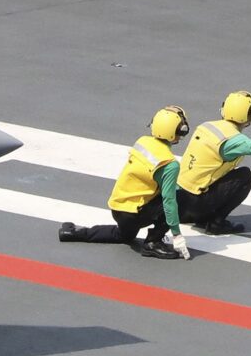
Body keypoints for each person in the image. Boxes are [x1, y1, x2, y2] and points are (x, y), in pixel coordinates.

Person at [59, 107, 191, 259]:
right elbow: (169, 201)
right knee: (181, 198)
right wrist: (176, 235)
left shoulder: (143, 142)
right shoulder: (169, 164)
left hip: (118, 208)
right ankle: (153, 243)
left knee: (123, 236)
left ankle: (73, 232)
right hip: (134, 214)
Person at [175, 90, 251, 235]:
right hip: (196, 205)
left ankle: (203, 215)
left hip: (178, 203)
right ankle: (216, 223)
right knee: (245, 176)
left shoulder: (206, 126)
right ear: (247, 115)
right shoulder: (233, 139)